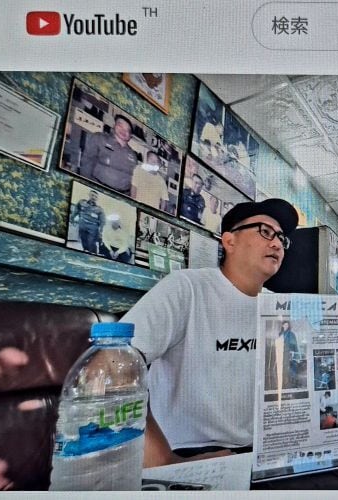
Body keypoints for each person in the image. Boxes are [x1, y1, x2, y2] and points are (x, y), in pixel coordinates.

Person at [121, 198, 298, 467]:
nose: (276, 244)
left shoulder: (280, 307)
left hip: (263, 449)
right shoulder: (187, 288)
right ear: (229, 241)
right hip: (186, 449)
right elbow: (112, 362)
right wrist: (163, 459)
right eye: (265, 231)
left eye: (282, 239)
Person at [80, 114, 139, 195]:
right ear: (114, 126)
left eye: (127, 130)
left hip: (121, 196)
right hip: (98, 190)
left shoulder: (133, 156)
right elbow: (87, 162)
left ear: (129, 136)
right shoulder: (100, 138)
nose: (123, 130)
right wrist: (85, 186)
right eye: (120, 125)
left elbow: (134, 181)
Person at [267, 320, 300, 389]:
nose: (286, 326)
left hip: (288, 353)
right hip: (281, 352)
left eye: (287, 325)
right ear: (282, 325)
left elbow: (295, 345)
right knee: (279, 368)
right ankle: (283, 383)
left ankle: (288, 383)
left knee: (287, 368)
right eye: (285, 325)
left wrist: (295, 355)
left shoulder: (291, 334)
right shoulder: (280, 333)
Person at [70, 189, 105, 254]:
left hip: (93, 228)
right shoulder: (82, 202)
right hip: (82, 225)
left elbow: (103, 221)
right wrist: (72, 219)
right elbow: (75, 211)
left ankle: (93, 254)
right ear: (89, 195)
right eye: (92, 195)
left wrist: (100, 232)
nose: (94, 197)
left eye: (96, 197)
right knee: (84, 241)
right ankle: (85, 252)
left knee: (91, 243)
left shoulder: (99, 209)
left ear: (97, 199)